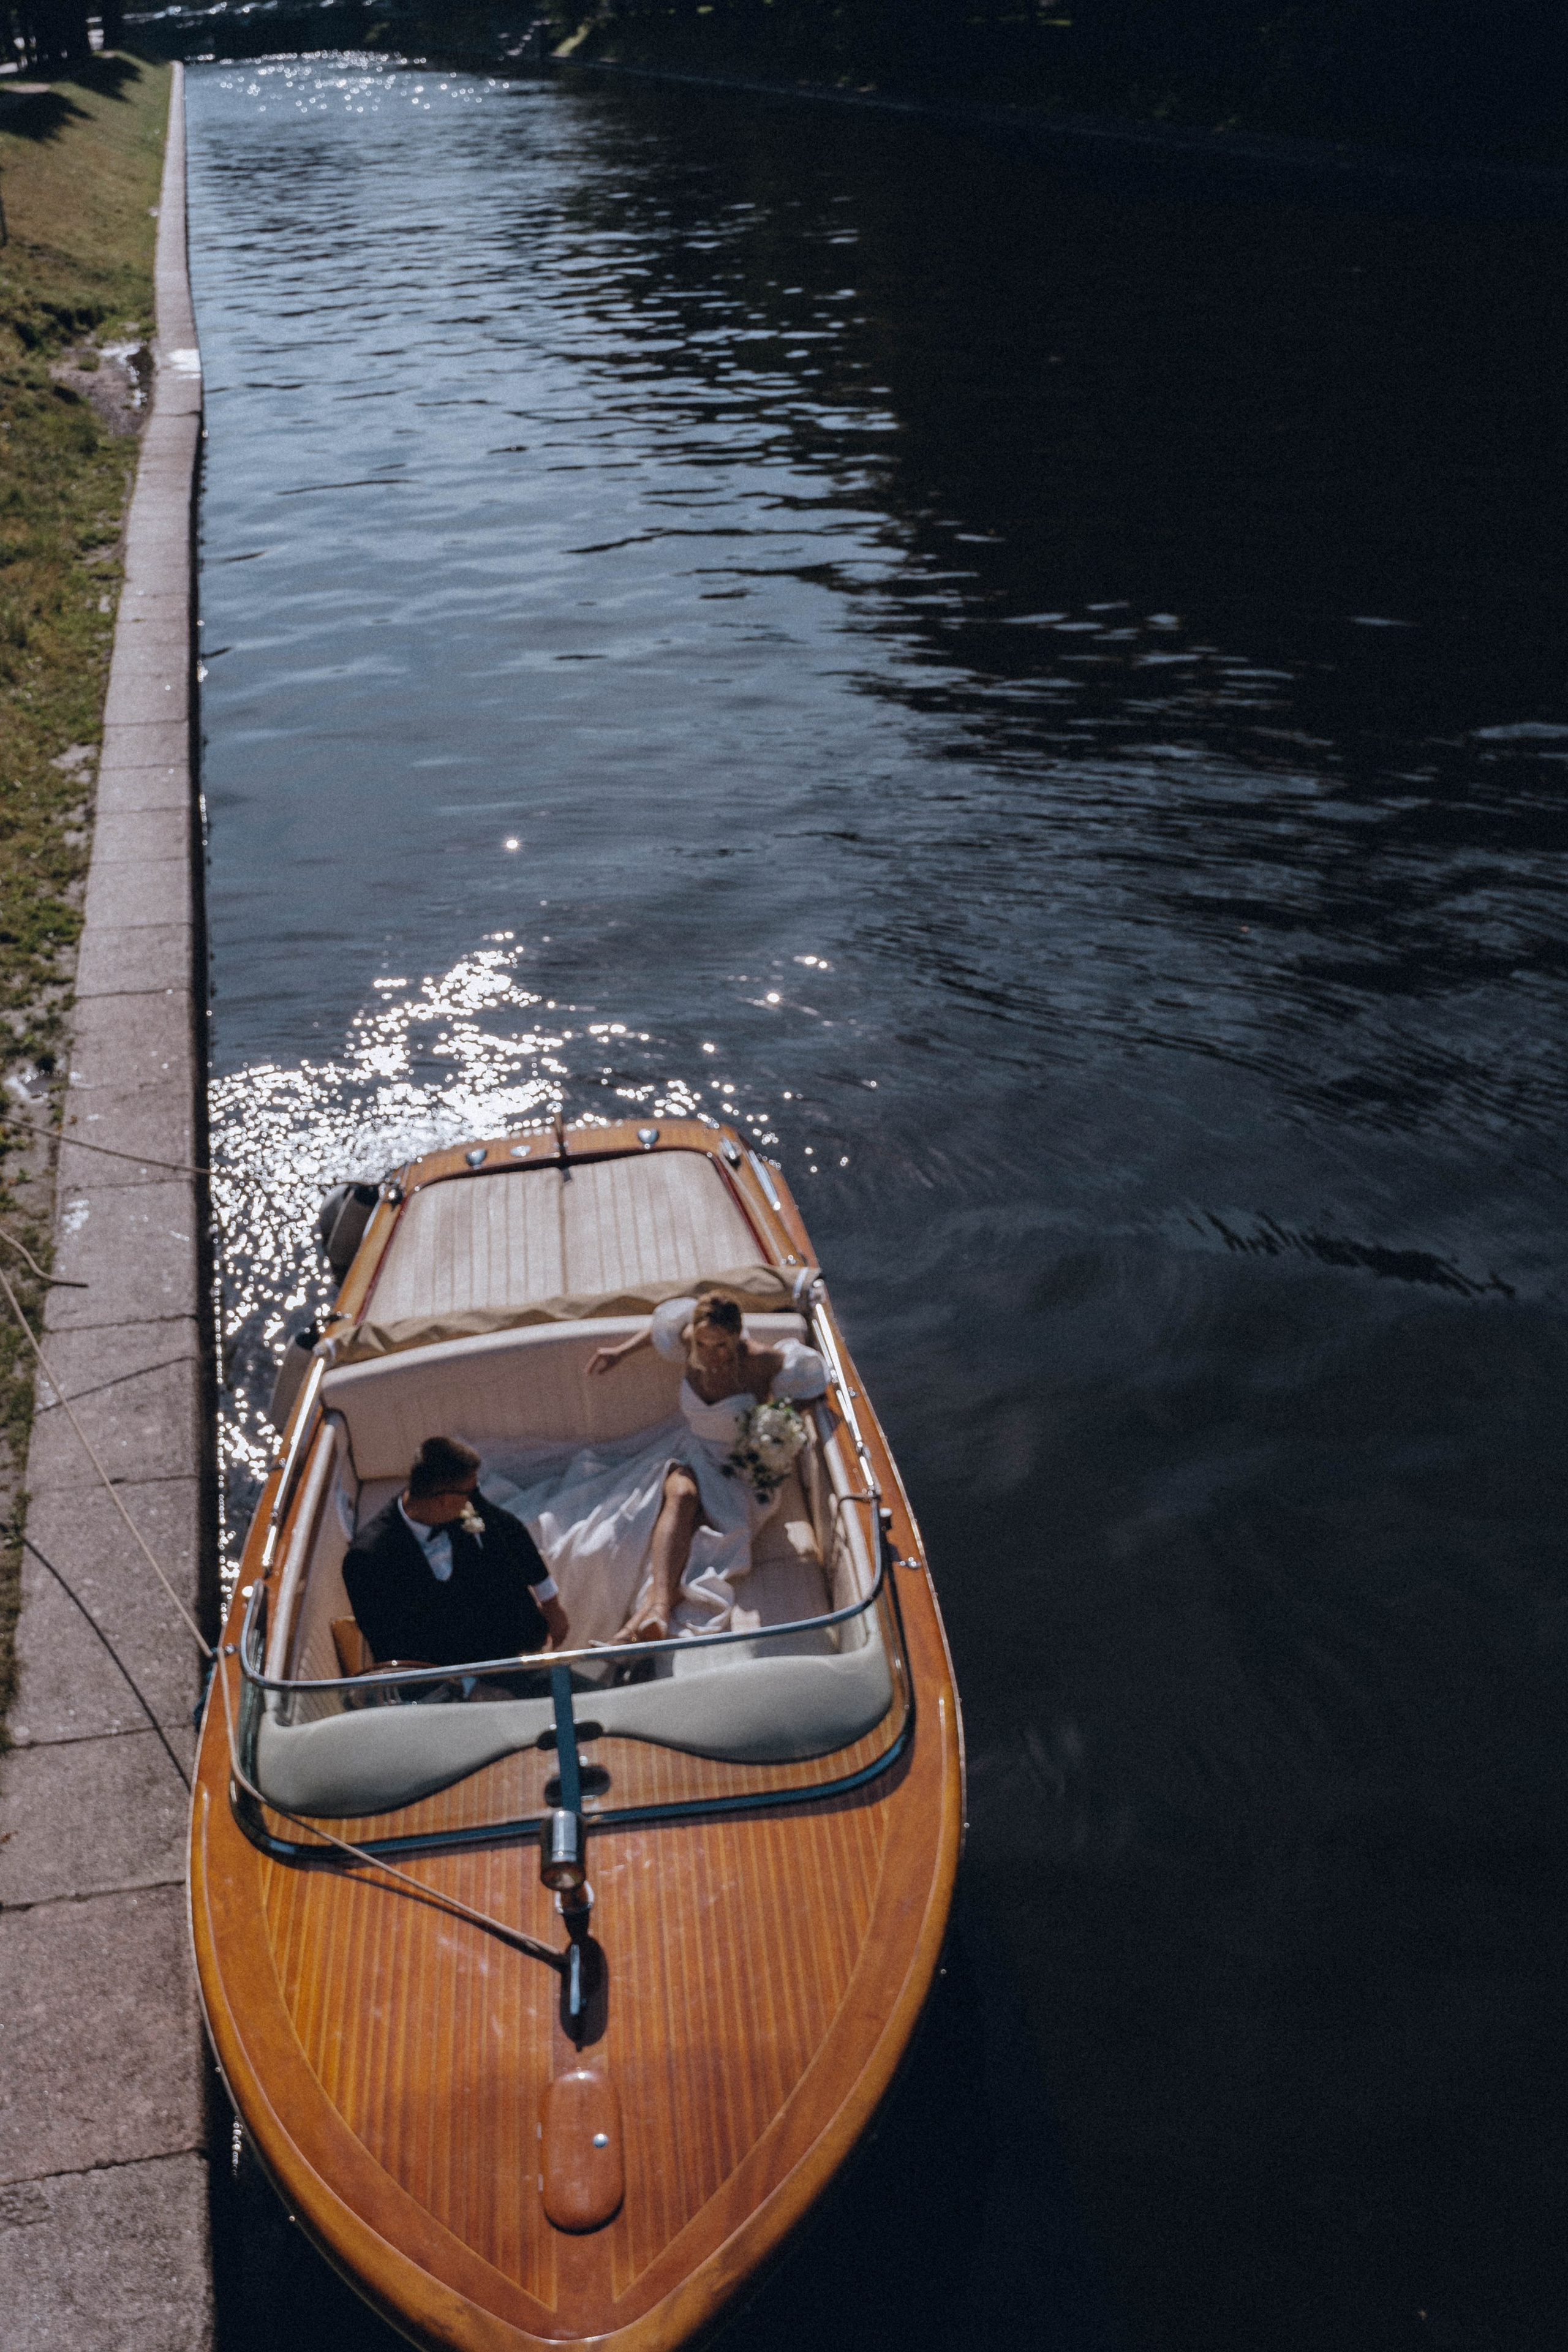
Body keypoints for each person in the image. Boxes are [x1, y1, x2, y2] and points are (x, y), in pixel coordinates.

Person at [586, 1288, 827, 1643]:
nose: (711, 1355)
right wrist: (619, 1353)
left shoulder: (761, 1361)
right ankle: (654, 1616)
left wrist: (780, 1428)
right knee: (682, 1496)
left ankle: (638, 1624)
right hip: (694, 1452)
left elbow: (815, 1383)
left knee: (700, 1537)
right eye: (703, 1345)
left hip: (740, 1473)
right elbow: (659, 1331)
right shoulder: (686, 1341)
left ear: (737, 1337)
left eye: (722, 1346)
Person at [342, 1434, 568, 1680]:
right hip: (438, 1683)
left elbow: (509, 1530)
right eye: (470, 1493)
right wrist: (469, 1689)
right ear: (443, 1501)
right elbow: (392, 1646)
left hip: (505, 1656)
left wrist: (551, 1604)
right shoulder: (367, 1561)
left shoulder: (462, 1501)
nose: (476, 1497)